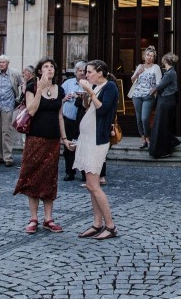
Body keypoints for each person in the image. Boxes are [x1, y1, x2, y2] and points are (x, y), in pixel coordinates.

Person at [15, 57, 66, 234]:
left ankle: (48, 218)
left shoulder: (60, 89)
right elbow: (31, 110)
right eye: (46, 66)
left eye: (52, 66)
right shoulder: (31, 87)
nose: (49, 69)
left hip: (53, 140)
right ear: (39, 71)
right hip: (35, 138)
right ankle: (33, 218)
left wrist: (65, 138)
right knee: (33, 177)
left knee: (49, 178)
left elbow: (60, 115)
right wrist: (40, 90)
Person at [74, 59, 119, 240]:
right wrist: (86, 96)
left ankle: (110, 225)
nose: (87, 75)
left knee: (93, 185)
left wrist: (89, 91)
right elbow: (89, 108)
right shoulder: (98, 88)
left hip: (97, 140)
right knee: (92, 186)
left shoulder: (110, 88)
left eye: (90, 72)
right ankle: (97, 223)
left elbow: (103, 110)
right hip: (87, 138)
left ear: (100, 72)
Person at [0, 55, 23, 166]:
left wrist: (19, 98)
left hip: (8, 105)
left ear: (7, 63)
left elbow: (22, 84)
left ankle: (8, 156)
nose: (1, 64)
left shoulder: (14, 73)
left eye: (3, 62)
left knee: (6, 131)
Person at [127, 46, 161, 150]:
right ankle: (144, 139)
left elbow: (159, 83)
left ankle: (148, 137)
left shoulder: (156, 67)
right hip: (136, 95)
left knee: (145, 118)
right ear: (144, 56)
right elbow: (132, 80)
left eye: (152, 56)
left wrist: (153, 92)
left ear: (154, 57)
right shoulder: (140, 66)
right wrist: (138, 72)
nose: (149, 57)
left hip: (148, 96)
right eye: (148, 55)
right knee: (138, 119)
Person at [149, 52, 180, 159]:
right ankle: (166, 147)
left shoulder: (170, 73)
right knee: (163, 125)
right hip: (167, 100)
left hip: (166, 101)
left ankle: (163, 150)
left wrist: (150, 92)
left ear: (166, 61)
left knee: (162, 126)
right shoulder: (170, 72)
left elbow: (159, 86)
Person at [60, 62, 85, 181]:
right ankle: (69, 172)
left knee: (83, 147)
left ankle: (85, 173)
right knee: (69, 146)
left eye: (84, 70)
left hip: (83, 121)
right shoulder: (67, 83)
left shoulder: (89, 84)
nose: (82, 72)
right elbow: (58, 98)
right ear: (75, 71)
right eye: (80, 70)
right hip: (69, 120)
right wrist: (65, 98)